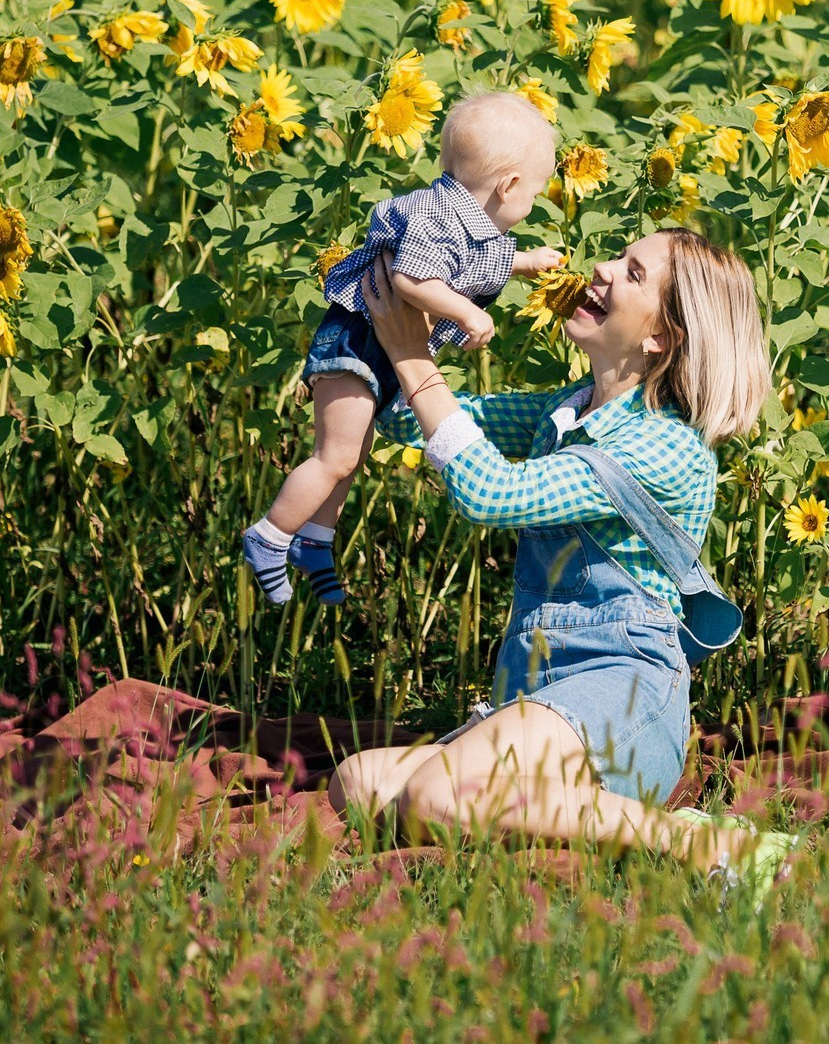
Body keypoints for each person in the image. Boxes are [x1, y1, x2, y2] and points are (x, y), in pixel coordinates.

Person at [328, 227, 798, 887]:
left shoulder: (669, 447)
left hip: (625, 690)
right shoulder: (565, 411)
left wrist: (412, 359)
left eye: (632, 273)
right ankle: (570, 821)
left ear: (663, 336)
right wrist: (428, 312)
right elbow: (412, 418)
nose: (600, 268)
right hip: (537, 688)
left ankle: (703, 845)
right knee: (359, 782)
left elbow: (493, 493)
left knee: (438, 794)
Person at [242, 92, 564, 607]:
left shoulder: (469, 220)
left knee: (354, 455)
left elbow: (475, 259)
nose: (536, 202)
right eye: (537, 191)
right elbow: (413, 279)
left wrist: (526, 263)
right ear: (508, 186)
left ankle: (314, 541)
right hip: (355, 343)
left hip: (376, 349)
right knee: (335, 456)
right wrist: (466, 311)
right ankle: (269, 537)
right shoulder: (433, 214)